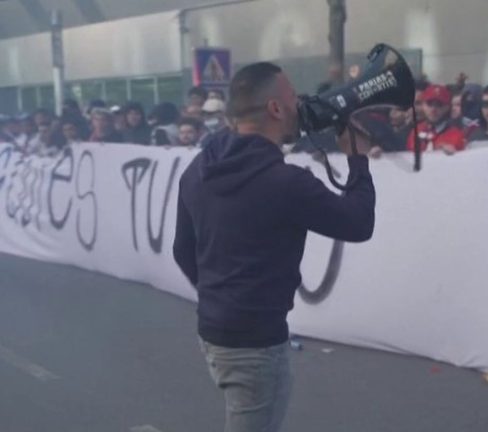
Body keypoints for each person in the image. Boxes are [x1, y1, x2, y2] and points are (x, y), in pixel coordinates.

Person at [172, 62, 376, 432]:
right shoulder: (285, 182)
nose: (301, 105)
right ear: (275, 109)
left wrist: (219, 296)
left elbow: (182, 250)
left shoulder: (198, 167)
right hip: (256, 342)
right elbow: (358, 223)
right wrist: (357, 157)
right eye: (293, 97)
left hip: (214, 329)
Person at [406, 84, 466, 154]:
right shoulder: (415, 131)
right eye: (429, 104)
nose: (433, 109)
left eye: (439, 105)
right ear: (423, 105)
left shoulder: (456, 135)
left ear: (447, 107)